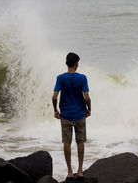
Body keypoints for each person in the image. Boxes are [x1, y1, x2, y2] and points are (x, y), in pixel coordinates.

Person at [52, 52, 91, 181]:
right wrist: (89, 109)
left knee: (67, 143)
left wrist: (55, 110)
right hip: (80, 115)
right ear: (76, 63)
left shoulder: (60, 78)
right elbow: (86, 97)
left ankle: (69, 171)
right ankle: (80, 171)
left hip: (66, 115)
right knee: (80, 142)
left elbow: (54, 97)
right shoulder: (82, 78)